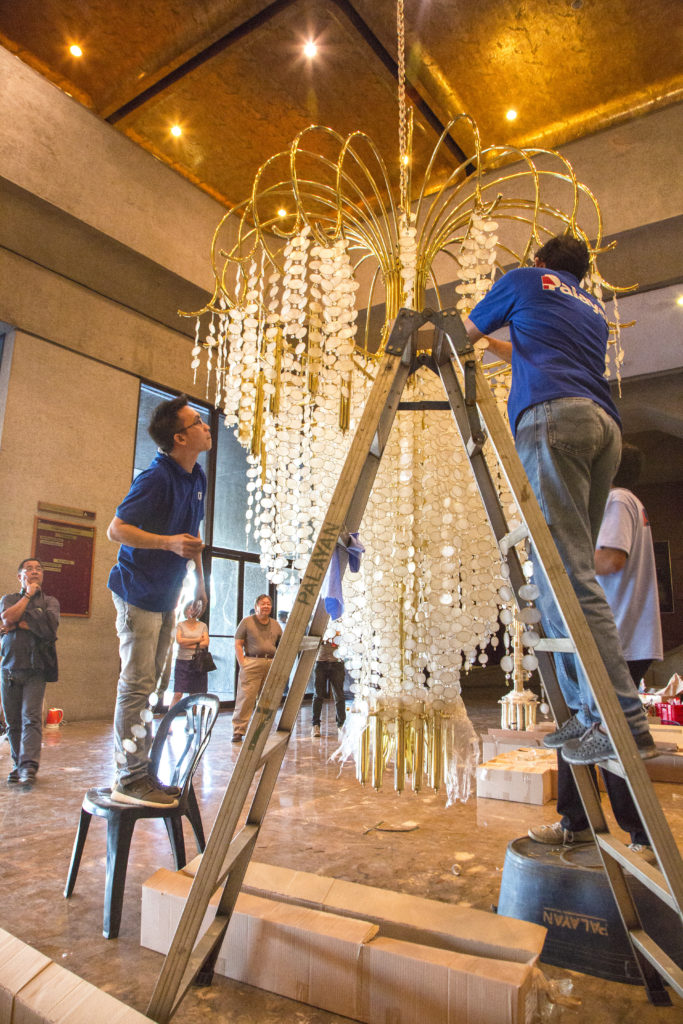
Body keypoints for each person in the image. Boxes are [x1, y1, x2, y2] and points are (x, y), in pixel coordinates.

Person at [465, 233, 655, 764]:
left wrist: (457, 338)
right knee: (558, 576)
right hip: (601, 429)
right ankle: (586, 714)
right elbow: (524, 344)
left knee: (569, 575)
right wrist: (493, 346)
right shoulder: (589, 306)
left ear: (539, 260)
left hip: (552, 420)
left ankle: (622, 718)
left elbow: (463, 334)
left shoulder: (524, 279)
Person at [529, 444, 663, 859]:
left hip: (617, 640)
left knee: (611, 738)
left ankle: (640, 834)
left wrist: (558, 559)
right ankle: (576, 822)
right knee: (581, 731)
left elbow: (610, 559)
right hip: (615, 639)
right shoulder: (618, 502)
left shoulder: (616, 499)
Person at [107, 395, 211, 806]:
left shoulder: (197, 477)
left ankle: (143, 770)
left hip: (168, 594)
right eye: (198, 421)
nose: (206, 425)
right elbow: (117, 529)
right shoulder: (154, 479)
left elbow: (192, 542)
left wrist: (201, 585)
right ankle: (129, 778)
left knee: (156, 684)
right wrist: (167, 542)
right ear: (180, 436)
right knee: (136, 683)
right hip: (137, 593)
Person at [1, 558, 60, 786]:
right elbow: (7, 618)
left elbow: (50, 628)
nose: (35, 572)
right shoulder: (8, 599)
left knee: (31, 718)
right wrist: (27, 598)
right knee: (13, 722)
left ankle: (28, 767)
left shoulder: (50, 601)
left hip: (37, 668)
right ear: (20, 576)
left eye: (38, 569)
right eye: (29, 569)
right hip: (9, 667)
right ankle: (18, 765)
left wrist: (20, 623)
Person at [233, 594, 281, 743]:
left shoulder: (276, 624)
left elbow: (281, 644)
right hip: (252, 662)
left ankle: (262, 729)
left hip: (271, 663)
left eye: (268, 604)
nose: (266, 606)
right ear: (256, 607)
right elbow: (238, 643)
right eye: (262, 604)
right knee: (246, 697)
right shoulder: (247, 622)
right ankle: (238, 730)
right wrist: (243, 663)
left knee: (267, 698)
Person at [170, 599, 210, 708]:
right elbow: (180, 642)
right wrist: (198, 639)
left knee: (195, 694)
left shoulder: (203, 626)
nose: (192, 611)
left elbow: (205, 643)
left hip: (198, 662)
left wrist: (188, 642)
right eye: (190, 608)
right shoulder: (180, 625)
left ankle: (192, 720)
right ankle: (168, 720)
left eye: (195, 609)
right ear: (186, 610)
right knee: (178, 693)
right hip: (182, 662)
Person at [311, 630, 346, 737]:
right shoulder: (321, 620)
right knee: (318, 695)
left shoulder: (341, 621)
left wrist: (335, 637)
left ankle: (341, 725)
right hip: (320, 661)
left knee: (339, 695)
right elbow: (314, 637)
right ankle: (315, 725)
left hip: (337, 662)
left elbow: (346, 638)